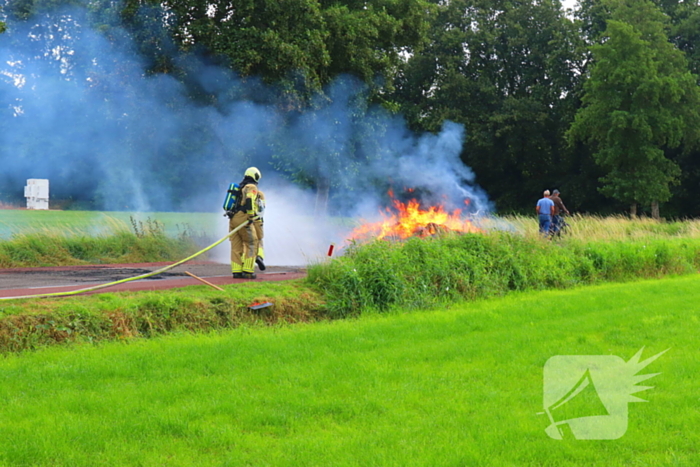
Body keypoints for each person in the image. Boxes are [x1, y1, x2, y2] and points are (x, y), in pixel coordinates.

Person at [229, 167, 263, 279]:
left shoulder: (240, 187)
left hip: (233, 218)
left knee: (236, 246)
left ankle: (236, 272)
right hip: (244, 218)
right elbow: (249, 201)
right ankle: (248, 271)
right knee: (252, 243)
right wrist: (250, 216)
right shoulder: (252, 187)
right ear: (255, 176)